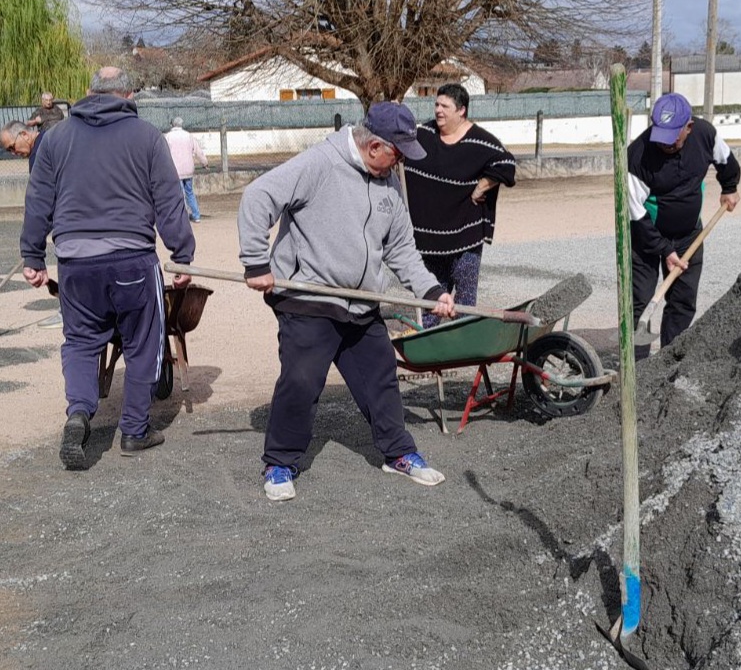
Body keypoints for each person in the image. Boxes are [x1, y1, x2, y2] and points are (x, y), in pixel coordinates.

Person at [238, 101, 457, 502]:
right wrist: (256, 262)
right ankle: (280, 462)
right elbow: (258, 196)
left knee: (381, 377)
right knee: (301, 381)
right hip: (309, 296)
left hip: (360, 303)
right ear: (374, 146)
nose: (399, 164)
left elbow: (402, 249)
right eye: (397, 154)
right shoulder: (320, 165)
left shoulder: (389, 182)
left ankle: (399, 453)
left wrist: (429, 292)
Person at [20, 67, 195, 469]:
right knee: (144, 342)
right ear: (128, 93)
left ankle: (79, 413)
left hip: (75, 264)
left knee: (80, 342)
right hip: (131, 258)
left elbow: (38, 201)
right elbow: (169, 200)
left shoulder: (55, 138)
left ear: (87, 92)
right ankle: (134, 430)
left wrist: (33, 258)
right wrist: (182, 254)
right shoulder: (147, 136)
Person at [627, 92, 741, 360]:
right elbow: (636, 212)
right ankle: (639, 368)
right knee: (641, 303)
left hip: (690, 235)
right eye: (660, 136)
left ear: (688, 127)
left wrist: (730, 187)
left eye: (672, 138)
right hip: (647, 237)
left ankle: (670, 360)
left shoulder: (704, 134)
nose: (665, 145)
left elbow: (726, 161)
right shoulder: (637, 155)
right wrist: (665, 250)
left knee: (682, 301)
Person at [406, 83, 516, 326]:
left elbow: (507, 164)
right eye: (436, 104)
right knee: (430, 306)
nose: (438, 110)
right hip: (428, 244)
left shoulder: (480, 141)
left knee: (465, 307)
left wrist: (482, 186)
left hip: (465, 240)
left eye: (445, 106)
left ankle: (463, 352)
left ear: (461, 111)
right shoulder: (422, 134)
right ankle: (431, 355)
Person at [164, 117, 208, 222]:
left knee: (180, 194)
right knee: (189, 192)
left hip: (175, 170)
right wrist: (205, 162)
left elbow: (163, 153)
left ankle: (183, 216)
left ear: (172, 125)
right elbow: (198, 151)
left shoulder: (168, 137)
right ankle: (196, 215)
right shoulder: (188, 136)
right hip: (188, 169)